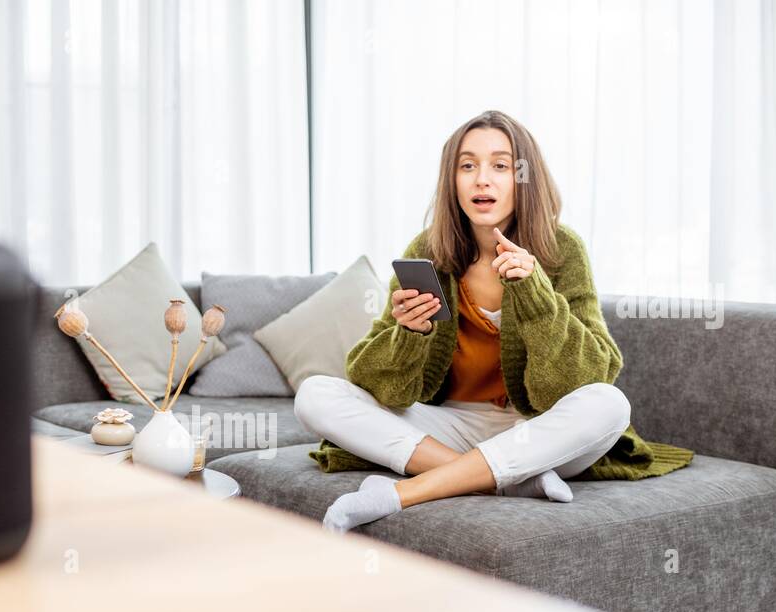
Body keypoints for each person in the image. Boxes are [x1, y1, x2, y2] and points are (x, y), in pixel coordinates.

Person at [294, 109, 692, 533]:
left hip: (535, 430)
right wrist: (409, 333)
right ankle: (504, 479)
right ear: (453, 181)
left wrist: (538, 297)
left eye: (501, 166)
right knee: (315, 395)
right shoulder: (429, 249)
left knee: (610, 405)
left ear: (524, 178)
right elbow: (375, 385)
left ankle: (404, 492)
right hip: (449, 424)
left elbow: (593, 374)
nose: (482, 179)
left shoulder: (562, 249)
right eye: (467, 166)